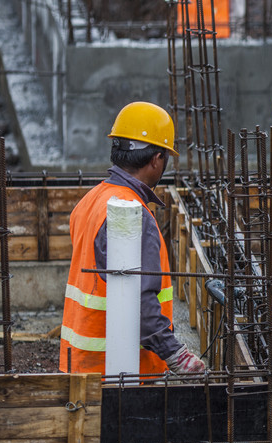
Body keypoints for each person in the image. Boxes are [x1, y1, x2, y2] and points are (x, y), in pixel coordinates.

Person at [60, 101, 205, 376]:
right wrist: (175, 354)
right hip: (120, 372)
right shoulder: (132, 214)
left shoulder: (90, 201)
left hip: (82, 363)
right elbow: (141, 302)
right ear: (156, 159)